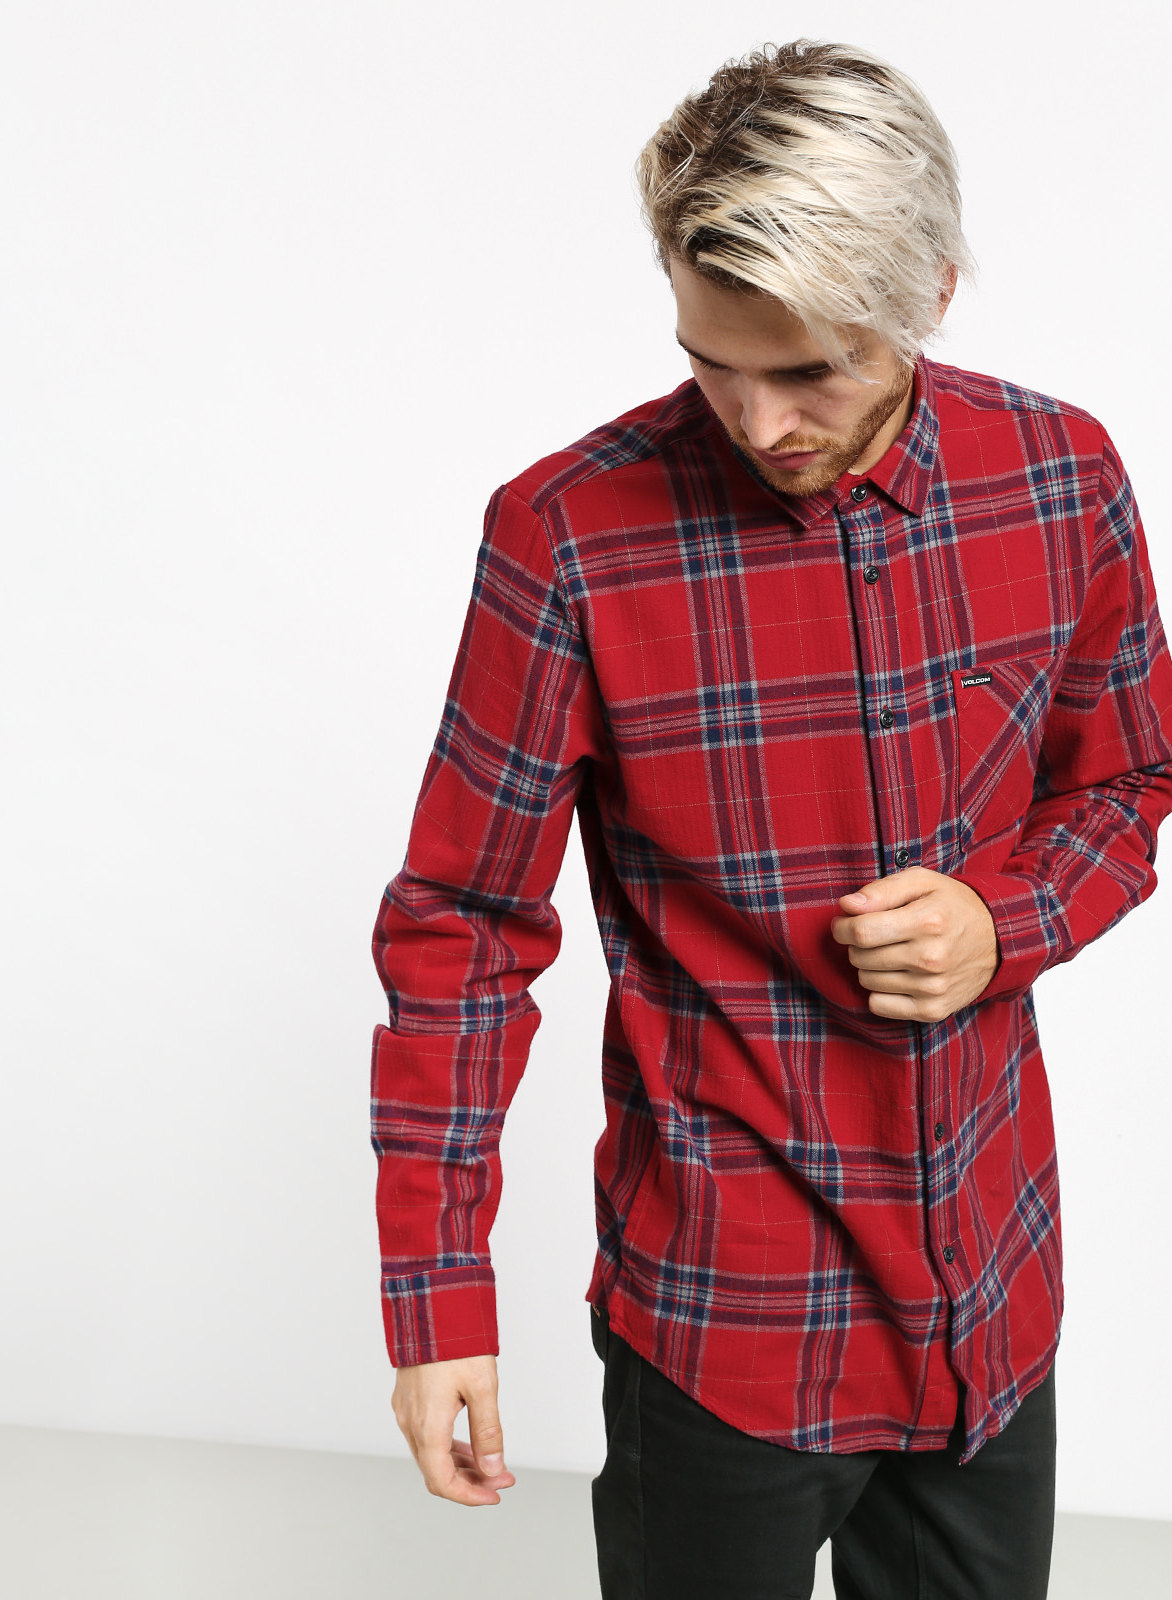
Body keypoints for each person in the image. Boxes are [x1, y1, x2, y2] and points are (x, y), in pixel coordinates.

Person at [368, 38, 1172, 1599]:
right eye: (712, 362)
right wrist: (438, 1293)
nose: (757, 419)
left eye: (812, 371)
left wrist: (1003, 920)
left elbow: (1129, 780)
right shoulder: (568, 536)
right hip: (724, 1322)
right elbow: (462, 926)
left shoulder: (1059, 477)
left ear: (932, 294)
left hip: (989, 1301)